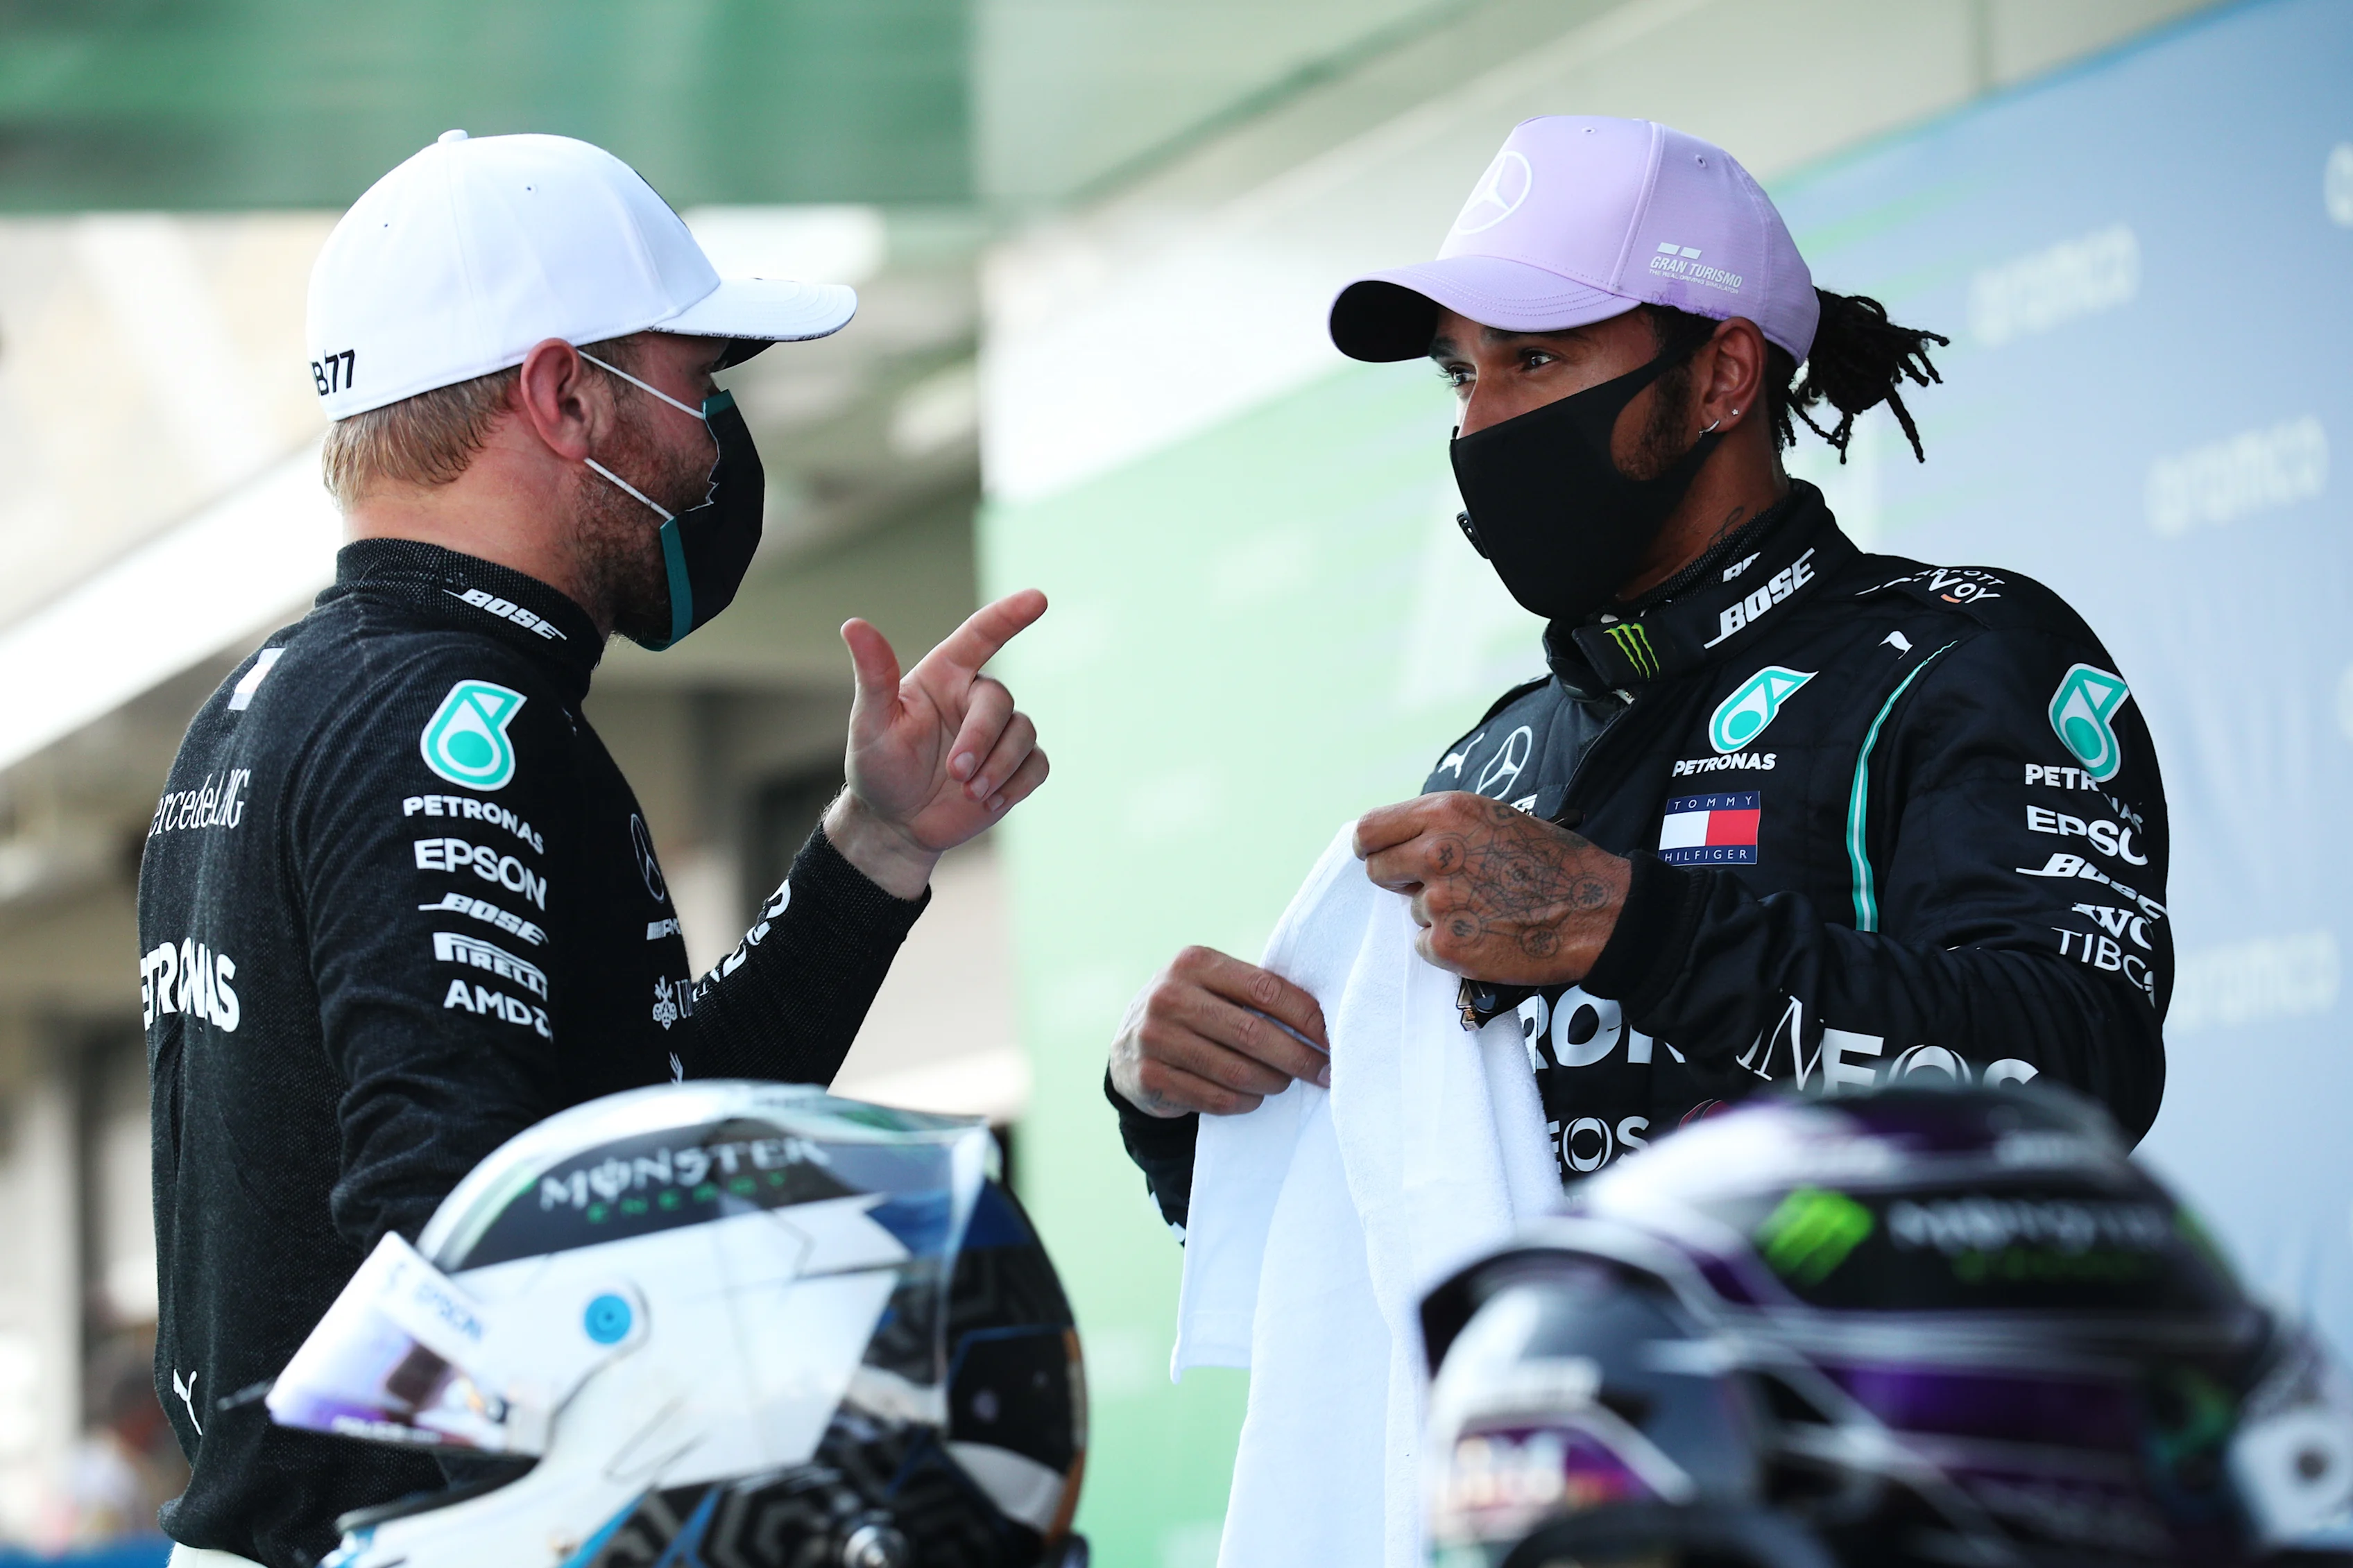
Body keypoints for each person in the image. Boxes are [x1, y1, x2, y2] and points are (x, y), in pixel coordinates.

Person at [139, 131, 1047, 1567]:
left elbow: (638, 1137)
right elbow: (465, 1219)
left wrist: (875, 844)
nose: (711, 448)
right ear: (565, 393)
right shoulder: (450, 717)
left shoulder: (268, 706)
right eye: (698, 387)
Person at [1106, 114, 2170, 1228]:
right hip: (1564, 1395)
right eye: (1461, 373)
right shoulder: (1497, 754)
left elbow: (2079, 1077)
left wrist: (1634, 929)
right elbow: (1375, 1220)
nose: (1478, 423)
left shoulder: (1962, 654)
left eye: (1535, 357)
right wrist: (1179, 1102)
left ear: (1721, 376)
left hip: (1874, 1399)